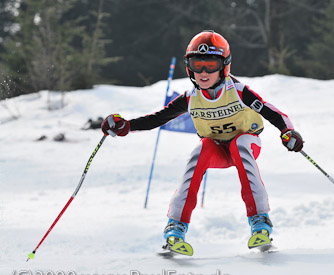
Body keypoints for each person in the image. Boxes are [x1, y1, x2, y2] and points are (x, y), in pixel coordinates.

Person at [101, 30, 303, 252]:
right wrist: (126, 126)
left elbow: (272, 112)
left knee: (241, 145)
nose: (204, 73)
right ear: (189, 68)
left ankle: (260, 221)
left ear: (224, 66)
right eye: (198, 65)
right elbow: (158, 118)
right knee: (201, 150)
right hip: (218, 150)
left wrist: (288, 131)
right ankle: (176, 225)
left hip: (246, 143)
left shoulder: (238, 91)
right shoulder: (190, 98)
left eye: (210, 65)